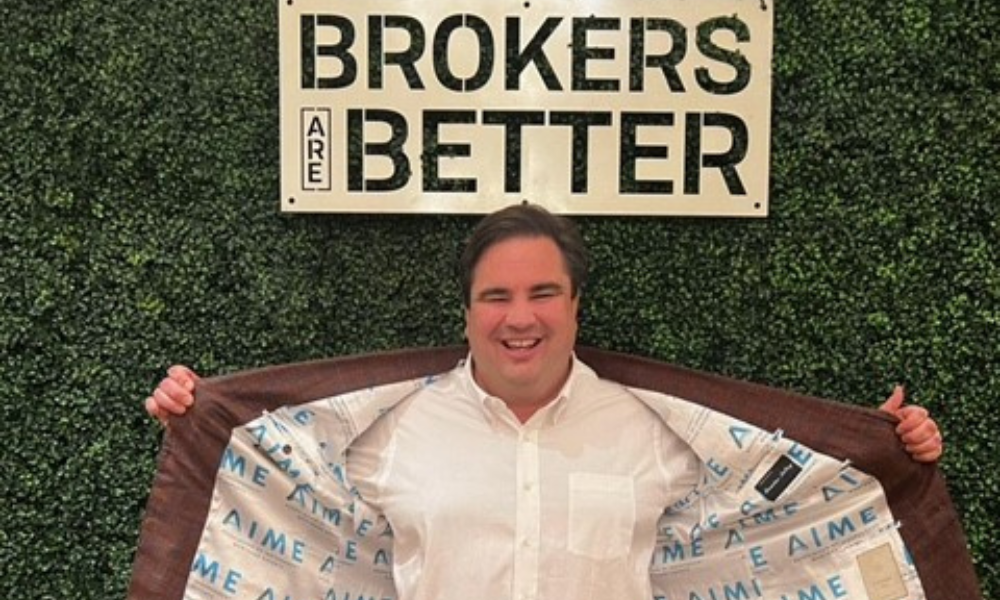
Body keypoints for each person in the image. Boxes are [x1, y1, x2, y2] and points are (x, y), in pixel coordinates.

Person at [144, 203, 944, 598]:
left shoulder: (654, 432)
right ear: (467, 313)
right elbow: (272, 484)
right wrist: (199, 419)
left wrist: (886, 453)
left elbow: (777, 505)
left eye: (542, 293)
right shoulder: (389, 434)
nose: (519, 318)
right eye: (496, 296)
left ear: (575, 306)